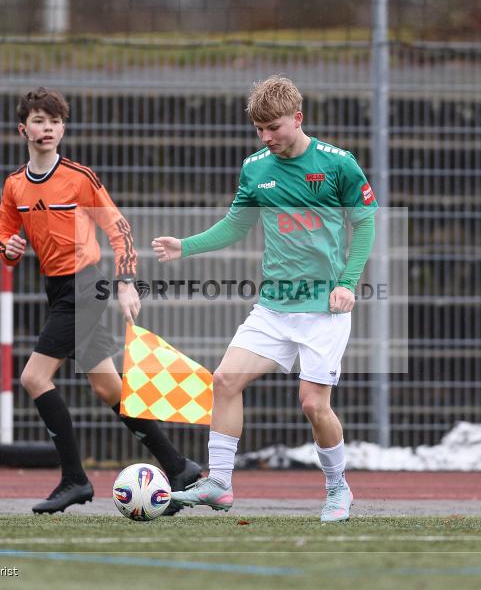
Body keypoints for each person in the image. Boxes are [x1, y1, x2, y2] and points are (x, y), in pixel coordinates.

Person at [153, 76, 377, 522]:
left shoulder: (337, 164)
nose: (266, 137)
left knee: (314, 404)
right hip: (273, 308)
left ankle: (338, 489)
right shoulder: (255, 167)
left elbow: (366, 222)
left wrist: (347, 283)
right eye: (259, 129)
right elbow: (236, 224)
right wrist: (187, 246)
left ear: (298, 117)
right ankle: (219, 484)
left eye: (273, 127)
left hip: (323, 310)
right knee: (224, 381)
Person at [0, 87, 200, 515]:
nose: (46, 128)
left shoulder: (79, 177)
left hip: (86, 287)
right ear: (23, 129)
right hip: (57, 290)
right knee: (107, 386)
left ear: (62, 128)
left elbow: (119, 228)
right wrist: (9, 248)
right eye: (38, 121)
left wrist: (126, 282)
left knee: (34, 378)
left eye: (54, 121)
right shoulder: (14, 185)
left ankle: (74, 480)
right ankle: (178, 467)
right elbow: (3, 235)